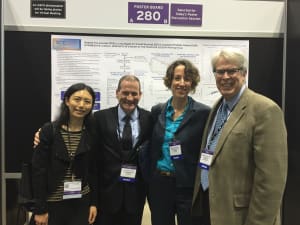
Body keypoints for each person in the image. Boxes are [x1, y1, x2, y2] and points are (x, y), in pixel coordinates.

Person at [191, 48, 288, 225]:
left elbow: (271, 181)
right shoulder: (217, 107)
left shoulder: (265, 110)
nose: (225, 77)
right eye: (220, 71)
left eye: (232, 70)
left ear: (244, 73)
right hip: (211, 207)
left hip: (241, 216)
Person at [147, 59, 210, 225]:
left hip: (187, 184)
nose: (182, 83)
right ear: (170, 81)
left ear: (192, 83)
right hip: (160, 184)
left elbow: (206, 149)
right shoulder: (157, 110)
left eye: (187, 79)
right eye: (177, 78)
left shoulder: (203, 113)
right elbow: (152, 147)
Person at [31, 83, 98, 225]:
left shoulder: (92, 132)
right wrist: (40, 209)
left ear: (92, 105)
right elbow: (38, 171)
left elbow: (94, 171)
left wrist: (93, 203)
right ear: (67, 101)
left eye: (87, 101)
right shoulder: (49, 131)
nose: (81, 105)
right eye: (77, 99)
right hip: (52, 202)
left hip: (81, 202)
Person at [94, 75, 153, 225]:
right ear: (117, 93)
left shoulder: (149, 118)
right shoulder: (100, 117)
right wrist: (46, 131)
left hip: (136, 194)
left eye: (134, 93)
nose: (130, 98)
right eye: (125, 93)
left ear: (140, 95)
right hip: (107, 194)